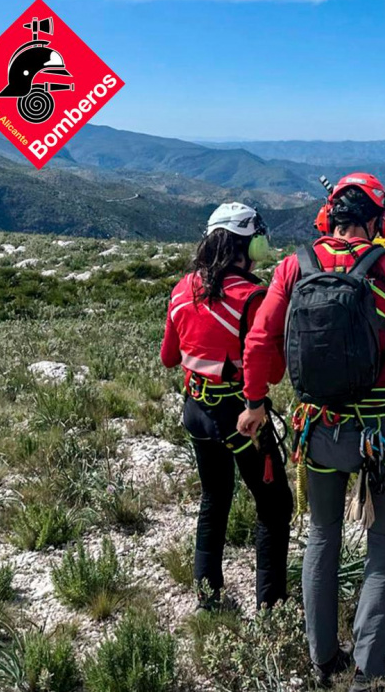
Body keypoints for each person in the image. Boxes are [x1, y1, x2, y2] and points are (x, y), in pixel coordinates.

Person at [237, 173, 385, 692]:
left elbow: (262, 338)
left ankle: (322, 657)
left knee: (321, 537)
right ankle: (368, 668)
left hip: (317, 428)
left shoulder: (295, 265)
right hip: (379, 433)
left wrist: (254, 400)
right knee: (384, 542)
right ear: (378, 220)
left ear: (329, 216)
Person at [159, 202, 292, 611]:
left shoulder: (182, 289)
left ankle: (208, 597)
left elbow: (169, 357)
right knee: (274, 505)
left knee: (214, 496)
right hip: (241, 415)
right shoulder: (253, 297)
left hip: (196, 409)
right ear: (248, 245)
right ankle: (271, 607)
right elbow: (272, 371)